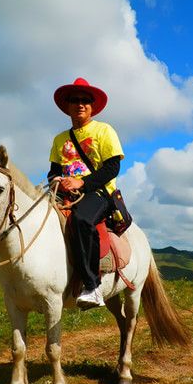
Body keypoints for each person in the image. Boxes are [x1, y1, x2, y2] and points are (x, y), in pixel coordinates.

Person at [48, 78, 124, 309]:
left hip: (99, 192)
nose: (80, 104)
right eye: (75, 100)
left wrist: (82, 183)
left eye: (85, 100)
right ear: (68, 106)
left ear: (92, 107)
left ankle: (93, 286)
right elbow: (53, 172)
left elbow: (112, 168)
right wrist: (57, 181)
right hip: (65, 193)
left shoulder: (104, 130)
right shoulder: (59, 139)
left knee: (81, 219)